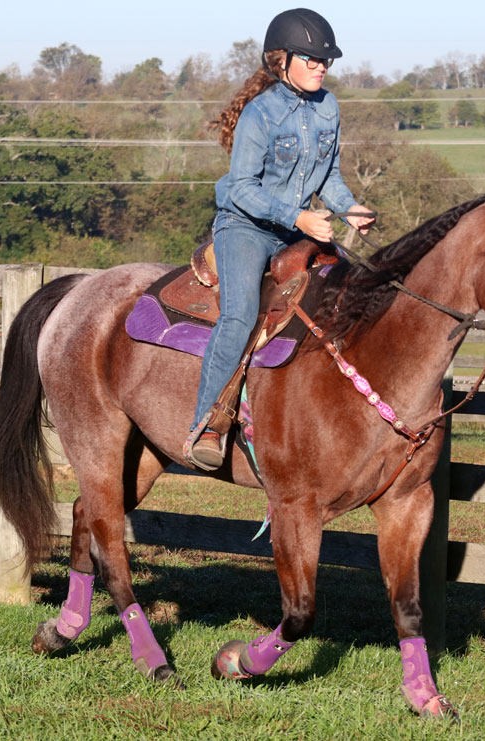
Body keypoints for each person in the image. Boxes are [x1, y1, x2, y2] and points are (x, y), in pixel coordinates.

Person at [184, 8, 374, 471]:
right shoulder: (259, 113)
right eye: (310, 59)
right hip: (245, 227)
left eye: (325, 61)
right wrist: (300, 218)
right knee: (239, 316)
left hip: (297, 229)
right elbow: (243, 188)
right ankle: (207, 424)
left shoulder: (328, 107)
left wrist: (350, 207)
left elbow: (328, 174)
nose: (321, 67)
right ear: (281, 60)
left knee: (347, 297)